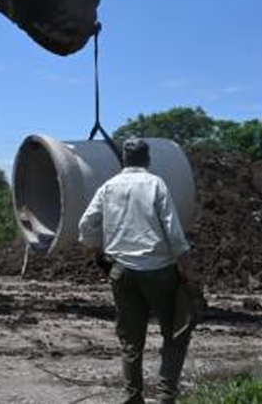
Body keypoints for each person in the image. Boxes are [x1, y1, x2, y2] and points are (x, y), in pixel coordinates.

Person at [78, 138, 196, 404]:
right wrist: (186, 266)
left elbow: (86, 224)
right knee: (175, 333)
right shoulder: (155, 184)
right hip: (158, 271)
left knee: (131, 341)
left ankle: (133, 398)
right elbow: (173, 231)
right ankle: (165, 396)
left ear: (123, 160)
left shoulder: (108, 187)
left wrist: (96, 253)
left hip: (121, 272)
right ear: (148, 160)